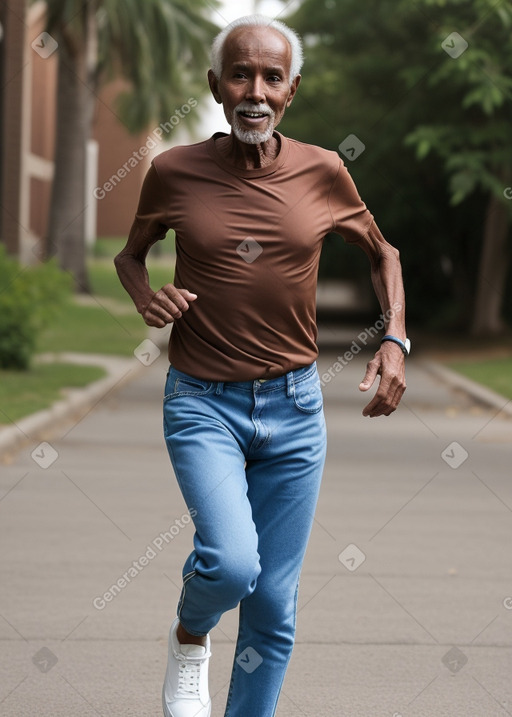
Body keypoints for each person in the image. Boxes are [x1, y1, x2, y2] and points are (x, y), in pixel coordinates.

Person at [114, 14, 408, 717]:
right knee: (233, 563)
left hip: (296, 410)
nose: (255, 89)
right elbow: (131, 256)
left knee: (274, 601)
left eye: (272, 77)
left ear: (292, 90)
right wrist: (147, 298)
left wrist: (395, 336)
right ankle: (190, 638)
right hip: (203, 403)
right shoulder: (174, 170)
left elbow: (383, 252)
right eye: (240, 74)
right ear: (216, 86)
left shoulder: (323, 170)